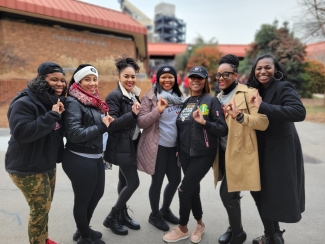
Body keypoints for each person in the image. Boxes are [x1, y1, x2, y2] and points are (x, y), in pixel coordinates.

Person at [163, 66, 228, 243]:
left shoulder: (211, 101)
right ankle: (200, 224)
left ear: (205, 81)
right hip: (184, 153)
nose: (196, 81)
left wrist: (204, 122)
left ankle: (183, 228)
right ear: (188, 80)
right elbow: (180, 127)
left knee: (184, 190)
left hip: (203, 154)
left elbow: (222, 129)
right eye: (193, 78)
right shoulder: (187, 101)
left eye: (200, 78)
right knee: (192, 190)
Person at [247, 54, 306, 244]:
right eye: (258, 68)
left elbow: (298, 112)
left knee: (271, 194)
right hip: (260, 148)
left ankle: (273, 236)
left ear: (276, 70)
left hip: (280, 150)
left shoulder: (283, 87)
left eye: (267, 67)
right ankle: (273, 234)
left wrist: (263, 106)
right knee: (261, 192)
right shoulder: (254, 90)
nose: (262, 71)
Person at [6, 62, 66, 244]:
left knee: (44, 208)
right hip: (27, 167)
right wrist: (52, 116)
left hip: (46, 163)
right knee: (39, 209)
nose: (60, 84)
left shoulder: (51, 102)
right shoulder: (24, 102)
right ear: (41, 80)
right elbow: (21, 132)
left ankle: (43, 239)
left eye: (62, 80)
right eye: (53, 79)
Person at [216, 54, 269, 244]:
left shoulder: (248, 93)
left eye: (226, 74)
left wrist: (240, 117)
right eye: (218, 75)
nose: (221, 78)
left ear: (236, 74)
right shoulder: (217, 98)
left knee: (227, 195)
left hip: (240, 153)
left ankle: (238, 234)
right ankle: (235, 229)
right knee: (232, 195)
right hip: (223, 153)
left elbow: (263, 122)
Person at [63, 64, 112, 244]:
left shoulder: (93, 100)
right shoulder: (73, 101)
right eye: (87, 79)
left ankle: (83, 229)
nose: (92, 83)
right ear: (78, 81)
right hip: (79, 158)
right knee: (83, 199)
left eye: (94, 79)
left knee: (96, 194)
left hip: (95, 157)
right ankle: (84, 237)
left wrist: (105, 123)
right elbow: (74, 133)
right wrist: (102, 126)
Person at [137, 64, 183, 232]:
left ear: (175, 79)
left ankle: (165, 210)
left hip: (174, 147)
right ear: (157, 78)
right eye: (163, 77)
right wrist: (158, 110)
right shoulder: (149, 97)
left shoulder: (179, 96)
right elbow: (142, 122)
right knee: (157, 182)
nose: (167, 80)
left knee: (175, 180)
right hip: (158, 147)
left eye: (170, 76)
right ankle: (154, 214)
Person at [103, 57, 142, 236]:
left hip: (131, 144)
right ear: (119, 76)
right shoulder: (114, 96)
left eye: (133, 76)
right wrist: (133, 115)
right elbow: (111, 124)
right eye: (126, 76)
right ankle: (112, 216)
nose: (130, 80)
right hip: (121, 145)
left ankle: (123, 214)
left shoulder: (133, 93)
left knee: (124, 181)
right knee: (134, 182)